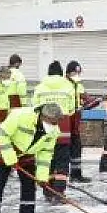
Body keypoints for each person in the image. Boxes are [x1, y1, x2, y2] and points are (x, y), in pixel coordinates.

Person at [0, 103, 64, 213]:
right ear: (43, 116)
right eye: (52, 122)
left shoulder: (53, 131)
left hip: (27, 157)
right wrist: (10, 158)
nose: (55, 125)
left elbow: (45, 154)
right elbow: (2, 134)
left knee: (29, 190)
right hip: (3, 152)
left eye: (57, 122)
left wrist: (42, 177)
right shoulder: (21, 116)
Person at [32, 61, 77, 203]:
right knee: (62, 161)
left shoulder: (40, 87)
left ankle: (48, 191)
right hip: (62, 127)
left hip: (44, 128)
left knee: (47, 161)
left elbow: (34, 108)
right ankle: (60, 193)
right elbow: (71, 110)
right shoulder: (68, 86)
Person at [65, 61, 100, 184]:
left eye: (79, 72)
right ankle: (60, 178)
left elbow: (86, 99)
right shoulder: (63, 85)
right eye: (75, 72)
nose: (77, 75)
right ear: (68, 73)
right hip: (64, 124)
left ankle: (76, 175)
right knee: (63, 152)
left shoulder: (78, 85)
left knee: (76, 149)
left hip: (75, 123)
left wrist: (94, 102)